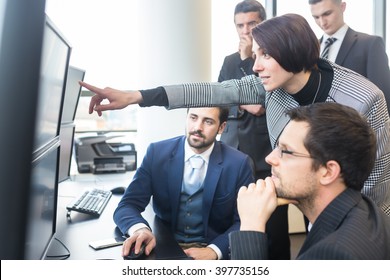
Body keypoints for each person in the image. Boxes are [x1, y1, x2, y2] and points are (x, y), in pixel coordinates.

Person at [80, 13, 390, 216]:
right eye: (256, 54)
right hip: (310, 210)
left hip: (357, 221)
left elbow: (377, 188)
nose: (255, 66)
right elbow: (211, 91)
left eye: (265, 55)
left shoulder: (365, 101)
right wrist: (137, 96)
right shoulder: (269, 86)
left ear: (292, 50)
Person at [229, 102, 390, 260]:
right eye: (277, 147)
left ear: (328, 172)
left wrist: (251, 225)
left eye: (285, 151)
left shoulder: (333, 255)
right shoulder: (366, 210)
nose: (269, 158)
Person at [114, 106, 254, 260]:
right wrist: (140, 230)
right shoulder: (157, 153)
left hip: (212, 247)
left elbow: (245, 221)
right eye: (193, 117)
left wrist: (214, 251)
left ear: (222, 127)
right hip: (164, 244)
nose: (197, 127)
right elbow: (127, 205)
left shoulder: (239, 163)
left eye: (208, 121)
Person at [218, 0, 290, 260]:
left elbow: (260, 103)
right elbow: (221, 99)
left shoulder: (273, 59)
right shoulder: (229, 61)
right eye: (240, 25)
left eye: (252, 24)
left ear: (263, 23)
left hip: (262, 153)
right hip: (232, 149)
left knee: (273, 224)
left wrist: (248, 58)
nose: (245, 30)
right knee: (237, 219)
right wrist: (241, 102)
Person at [309, 0, 390, 113]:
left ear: (342, 7)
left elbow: (383, 94)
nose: (322, 22)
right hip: (316, 125)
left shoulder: (370, 44)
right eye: (316, 17)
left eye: (327, 14)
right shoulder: (311, 50)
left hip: (358, 125)